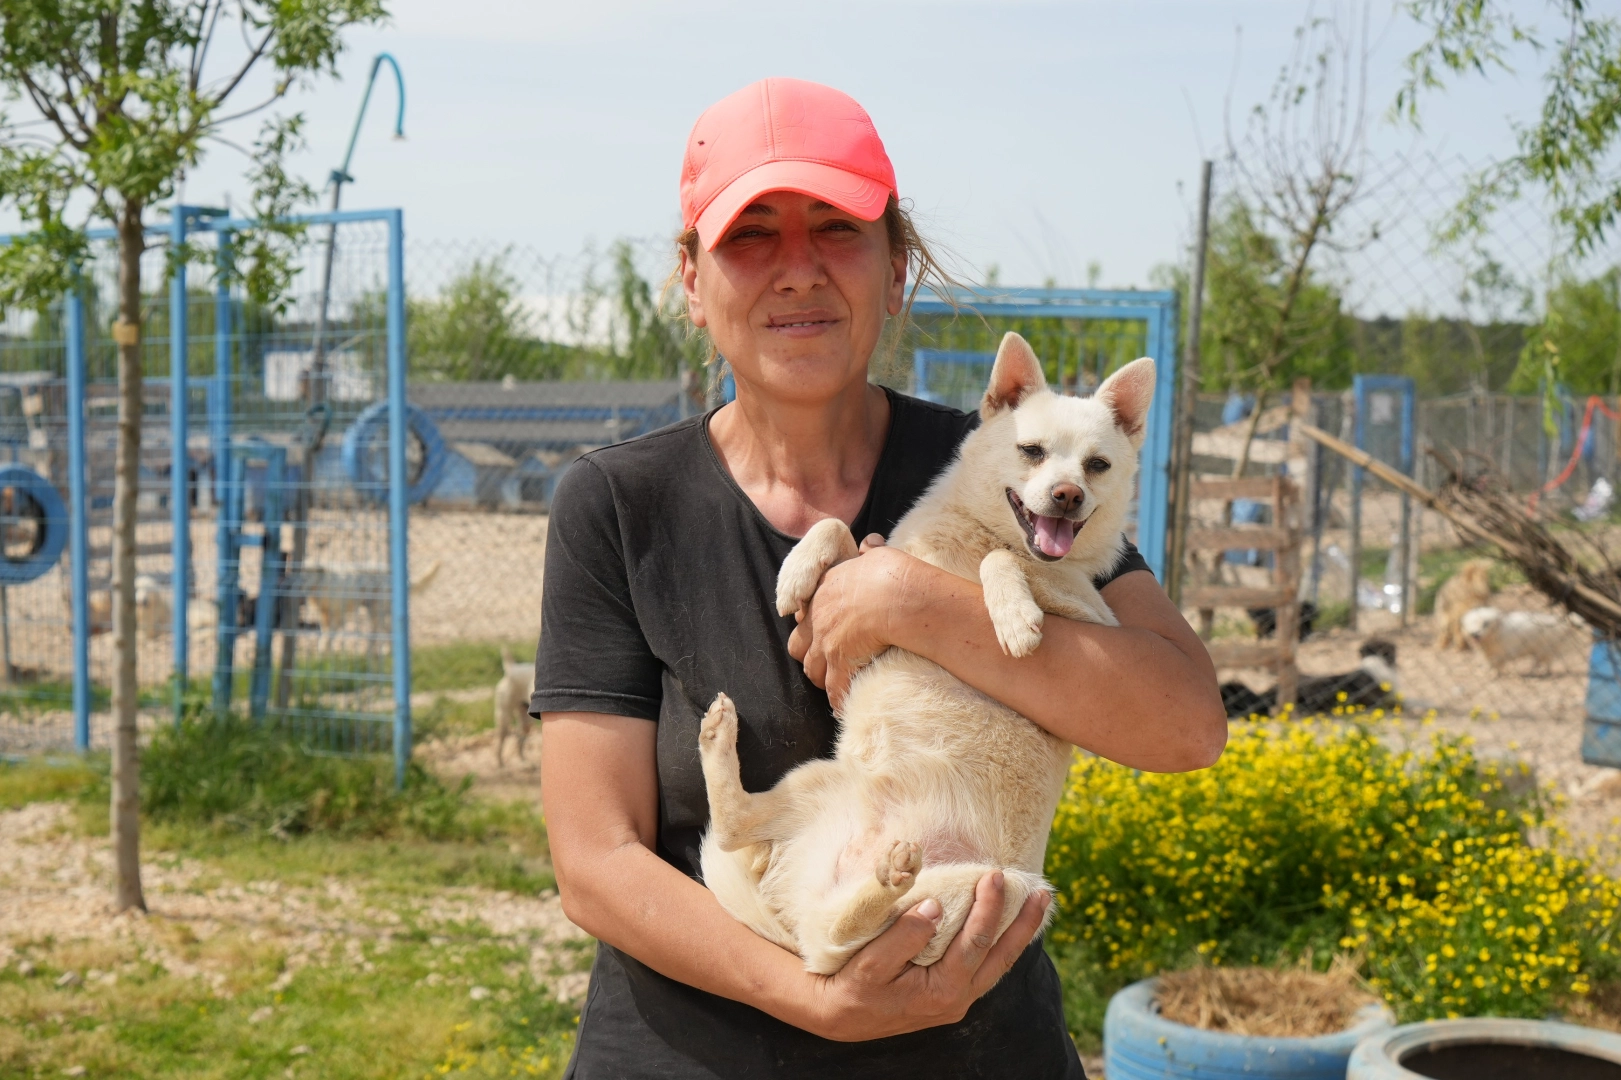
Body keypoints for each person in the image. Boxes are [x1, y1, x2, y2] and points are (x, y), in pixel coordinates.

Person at [535, 77, 1226, 1079]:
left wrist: (914, 603)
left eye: (836, 229)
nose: (798, 270)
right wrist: (817, 1000)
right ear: (691, 280)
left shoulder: (1009, 467)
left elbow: (1184, 726)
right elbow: (595, 862)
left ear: (895, 268)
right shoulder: (618, 503)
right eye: (750, 236)